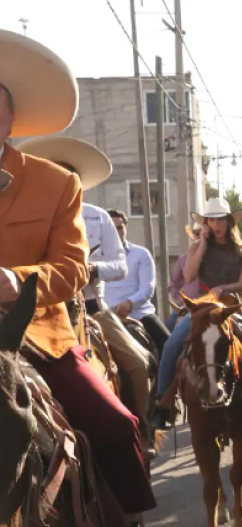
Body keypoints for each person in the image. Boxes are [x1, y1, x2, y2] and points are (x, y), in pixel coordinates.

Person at [0, 30, 155, 522]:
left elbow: (71, 267)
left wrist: (16, 281)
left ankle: (125, 516)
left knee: (113, 423)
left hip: (35, 334)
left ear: (10, 115)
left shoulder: (56, 183)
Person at [16, 134, 159, 460]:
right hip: (38, 313)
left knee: (137, 363)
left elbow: (120, 265)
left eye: (67, 176)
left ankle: (144, 432)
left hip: (91, 309)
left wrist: (93, 269)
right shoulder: (30, 216)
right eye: (53, 174)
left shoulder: (98, 217)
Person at [150, 198, 242, 429]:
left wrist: (223, 288)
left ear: (229, 222)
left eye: (220, 219)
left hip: (237, 306)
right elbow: (189, 276)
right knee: (171, 344)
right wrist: (201, 245)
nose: (215, 224)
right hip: (205, 307)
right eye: (211, 219)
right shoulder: (196, 247)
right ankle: (162, 404)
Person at [106, 209, 170, 355]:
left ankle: (167, 378)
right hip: (105, 317)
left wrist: (129, 302)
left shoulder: (141, 254)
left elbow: (147, 289)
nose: (116, 232)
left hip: (138, 314)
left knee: (170, 346)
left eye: (120, 227)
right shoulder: (94, 257)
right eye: (111, 228)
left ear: (125, 228)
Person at [167, 223, 201, 330]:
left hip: (212, 306)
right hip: (187, 308)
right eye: (196, 233)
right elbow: (174, 282)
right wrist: (179, 297)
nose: (198, 236)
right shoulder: (183, 259)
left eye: (201, 233)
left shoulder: (216, 257)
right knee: (165, 339)